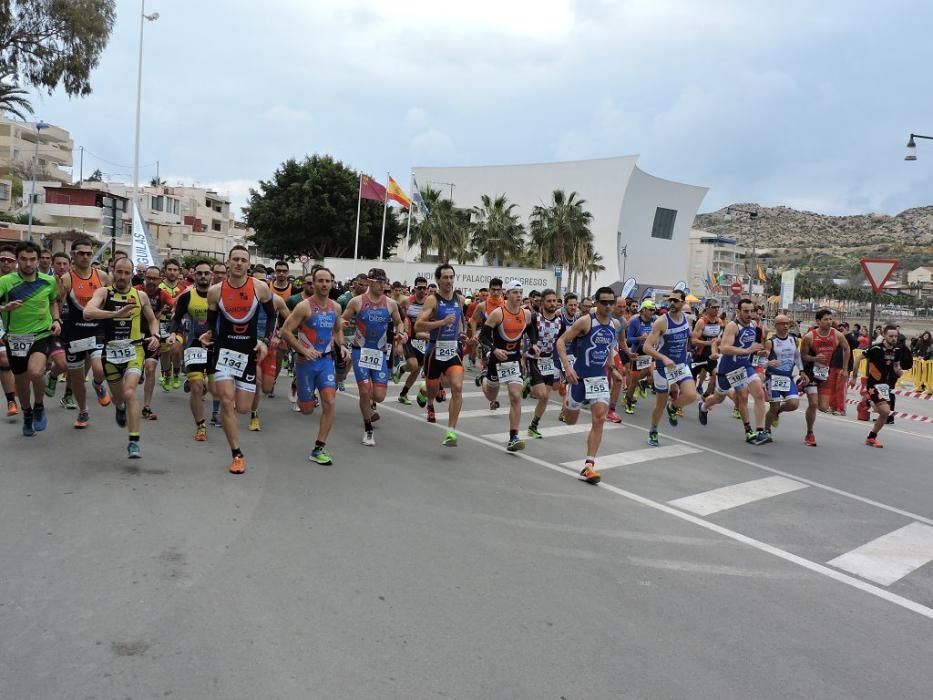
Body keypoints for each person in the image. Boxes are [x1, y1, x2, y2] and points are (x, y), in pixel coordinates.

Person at [199, 245, 276, 474]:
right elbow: (212, 322)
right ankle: (237, 454)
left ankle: (229, 411)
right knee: (225, 399)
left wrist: (264, 340)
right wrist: (208, 333)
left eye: (243, 259)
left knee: (242, 407)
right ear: (228, 262)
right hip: (224, 351)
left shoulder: (260, 288)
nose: (239, 263)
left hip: (247, 353)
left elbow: (272, 315)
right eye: (235, 259)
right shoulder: (215, 291)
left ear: (248, 264)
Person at [83, 257, 161, 457]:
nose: (123, 277)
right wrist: (115, 314)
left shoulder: (140, 296)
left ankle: (134, 440)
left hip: (134, 350)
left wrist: (155, 335)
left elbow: (152, 320)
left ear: (132, 274)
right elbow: (88, 311)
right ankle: (119, 406)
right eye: (119, 272)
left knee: (129, 392)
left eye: (127, 273)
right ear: (113, 271)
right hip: (110, 352)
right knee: (119, 398)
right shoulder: (104, 292)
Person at [280, 266, 347, 464]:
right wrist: (303, 349)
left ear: (332, 283)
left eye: (328, 281)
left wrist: (341, 346)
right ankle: (299, 386)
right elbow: (285, 331)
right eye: (320, 281)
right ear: (314, 283)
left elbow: (337, 330)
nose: (324, 284)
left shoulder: (336, 307)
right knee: (307, 409)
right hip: (305, 362)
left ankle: (318, 448)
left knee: (330, 401)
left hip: (326, 361)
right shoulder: (304, 307)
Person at [556, 286, 622, 484]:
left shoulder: (615, 324)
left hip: (599, 378)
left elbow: (609, 347)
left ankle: (589, 465)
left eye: (611, 302)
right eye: (604, 302)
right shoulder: (585, 321)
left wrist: (613, 368)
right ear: (596, 302)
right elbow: (561, 342)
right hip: (578, 377)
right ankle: (568, 401)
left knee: (600, 418)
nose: (608, 306)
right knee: (570, 420)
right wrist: (568, 368)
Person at [0, 241, 65, 436]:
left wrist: (56, 319)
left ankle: (39, 406)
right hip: (15, 337)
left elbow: (53, 301)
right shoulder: (5, 282)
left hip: (40, 334)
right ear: (17, 260)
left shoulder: (48, 281)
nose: (28, 264)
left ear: (38, 260)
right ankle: (27, 412)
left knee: (36, 373)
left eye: (32, 259)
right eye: (24, 259)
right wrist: (4, 308)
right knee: (21, 382)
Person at [342, 267, 406, 447]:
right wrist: (342, 324)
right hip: (360, 349)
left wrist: (401, 333)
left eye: (384, 281)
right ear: (370, 282)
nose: (382, 285)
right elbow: (342, 319)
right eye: (379, 281)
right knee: (364, 390)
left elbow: (399, 322)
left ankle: (370, 406)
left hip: (379, 353)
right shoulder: (356, 302)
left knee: (379, 396)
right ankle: (368, 429)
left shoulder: (390, 303)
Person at [479, 280, 541, 452]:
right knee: (491, 396)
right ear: (507, 294)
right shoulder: (498, 314)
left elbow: (531, 330)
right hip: (496, 360)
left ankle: (514, 437)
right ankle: (485, 377)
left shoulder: (527, 314)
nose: (519, 296)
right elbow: (483, 336)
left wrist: (534, 344)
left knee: (515, 395)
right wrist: (493, 349)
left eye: (521, 292)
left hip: (513, 360)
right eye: (515, 292)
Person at [58, 237, 112, 428]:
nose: (85, 256)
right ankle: (83, 412)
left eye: (89, 253)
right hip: (74, 334)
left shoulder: (102, 276)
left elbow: (110, 299)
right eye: (81, 253)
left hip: (96, 330)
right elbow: (57, 304)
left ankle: (98, 384)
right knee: (77, 379)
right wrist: (56, 321)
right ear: (73, 255)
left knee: (98, 369)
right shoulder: (66, 279)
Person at [698, 298, 770, 444]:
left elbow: (752, 347)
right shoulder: (733, 326)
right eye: (746, 311)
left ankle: (758, 431)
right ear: (738, 312)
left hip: (745, 366)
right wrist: (746, 350)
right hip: (728, 369)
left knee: (756, 394)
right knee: (719, 398)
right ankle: (704, 406)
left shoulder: (754, 325)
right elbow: (724, 348)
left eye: (752, 311)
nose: (750, 314)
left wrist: (759, 353)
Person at [414, 264, 467, 445]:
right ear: (438, 280)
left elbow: (459, 324)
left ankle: (451, 431)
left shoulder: (459, 300)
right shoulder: (432, 300)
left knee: (457, 386)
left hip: (452, 350)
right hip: (434, 351)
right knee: (433, 390)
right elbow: (418, 326)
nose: (449, 281)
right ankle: (424, 391)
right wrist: (441, 322)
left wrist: (462, 335)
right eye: (445, 277)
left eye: (451, 277)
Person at [643, 289, 699, 447]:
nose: (672, 303)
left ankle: (673, 406)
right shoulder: (662, 321)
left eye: (676, 300)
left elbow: (688, 339)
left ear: (683, 303)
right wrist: (663, 358)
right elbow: (647, 347)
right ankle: (653, 430)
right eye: (670, 300)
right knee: (659, 403)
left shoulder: (688, 319)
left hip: (680, 364)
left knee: (691, 395)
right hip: (663, 367)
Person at [168, 260, 214, 441]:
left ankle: (203, 387)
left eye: (206, 273)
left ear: (211, 275)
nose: (203, 276)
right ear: (194, 276)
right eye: (199, 273)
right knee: (196, 387)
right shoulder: (187, 296)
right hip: (194, 345)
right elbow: (176, 318)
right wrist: (172, 333)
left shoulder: (219, 295)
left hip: (214, 345)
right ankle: (201, 425)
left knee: (213, 389)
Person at [853, 324, 911, 447]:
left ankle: (871, 437)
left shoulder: (897, 351)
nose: (894, 338)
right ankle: (869, 401)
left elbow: (896, 365)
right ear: (884, 335)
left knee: (885, 413)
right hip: (874, 384)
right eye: (891, 336)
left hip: (885, 386)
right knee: (885, 410)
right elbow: (858, 358)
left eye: (896, 336)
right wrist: (854, 377)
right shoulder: (876, 349)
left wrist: (899, 371)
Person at [799, 309, 849, 446]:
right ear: (818, 321)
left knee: (823, 407)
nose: (829, 322)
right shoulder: (809, 337)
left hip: (825, 373)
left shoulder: (837, 335)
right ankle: (810, 433)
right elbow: (802, 356)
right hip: (811, 372)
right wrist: (815, 358)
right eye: (826, 319)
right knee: (813, 404)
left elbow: (847, 348)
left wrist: (845, 369)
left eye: (830, 319)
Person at [757, 314, 807, 444]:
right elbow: (761, 362)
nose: (785, 326)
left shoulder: (793, 340)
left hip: (787, 377)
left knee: (793, 404)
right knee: (773, 406)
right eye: (782, 324)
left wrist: (802, 371)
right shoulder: (770, 342)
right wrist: (769, 363)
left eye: (787, 324)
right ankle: (766, 431)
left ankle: (778, 411)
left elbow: (796, 357)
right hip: (773, 377)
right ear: (776, 325)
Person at [136, 266, 177, 420]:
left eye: (155, 278)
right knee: (131, 371)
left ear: (160, 279)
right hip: (134, 335)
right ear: (144, 277)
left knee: (151, 369)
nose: (151, 281)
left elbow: (175, 306)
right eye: (149, 278)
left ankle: (146, 407)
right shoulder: (136, 290)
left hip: (153, 335)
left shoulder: (162, 294)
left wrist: (171, 311)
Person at [524, 289, 564, 439]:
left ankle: (533, 426)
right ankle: (528, 383)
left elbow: (561, 341)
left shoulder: (560, 322)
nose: (553, 304)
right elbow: (527, 329)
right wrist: (532, 344)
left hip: (548, 360)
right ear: (542, 303)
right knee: (540, 393)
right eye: (549, 301)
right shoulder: (535, 318)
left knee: (545, 397)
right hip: (534, 358)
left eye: (554, 301)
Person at [395, 276, 430, 405]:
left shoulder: (429, 303)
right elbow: (399, 320)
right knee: (414, 365)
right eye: (419, 288)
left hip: (422, 340)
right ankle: (402, 368)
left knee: (416, 370)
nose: (422, 290)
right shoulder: (406, 302)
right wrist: (400, 337)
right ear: (414, 288)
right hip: (408, 338)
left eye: (424, 288)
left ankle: (403, 394)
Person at [157, 259, 187, 390]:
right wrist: (160, 310)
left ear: (179, 272)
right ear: (165, 271)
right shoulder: (158, 287)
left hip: (178, 324)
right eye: (170, 269)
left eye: (175, 270)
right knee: (164, 353)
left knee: (175, 349)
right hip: (162, 323)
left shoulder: (183, 288)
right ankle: (167, 375)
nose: (172, 272)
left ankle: (176, 374)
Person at [623, 299, 657, 415]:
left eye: (654, 310)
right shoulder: (635, 322)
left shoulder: (655, 321)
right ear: (643, 310)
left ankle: (643, 384)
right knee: (633, 381)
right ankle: (628, 400)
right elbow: (629, 339)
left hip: (649, 351)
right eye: (650, 310)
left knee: (651, 373)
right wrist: (640, 338)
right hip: (637, 352)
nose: (653, 312)